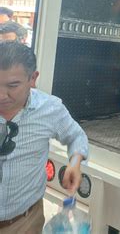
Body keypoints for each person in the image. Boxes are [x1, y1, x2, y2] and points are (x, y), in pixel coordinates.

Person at [0, 42, 89, 233]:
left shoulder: (49, 109)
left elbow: (76, 136)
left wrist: (75, 162)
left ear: (33, 78)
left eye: (12, 85)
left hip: (24, 223)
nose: (1, 95)